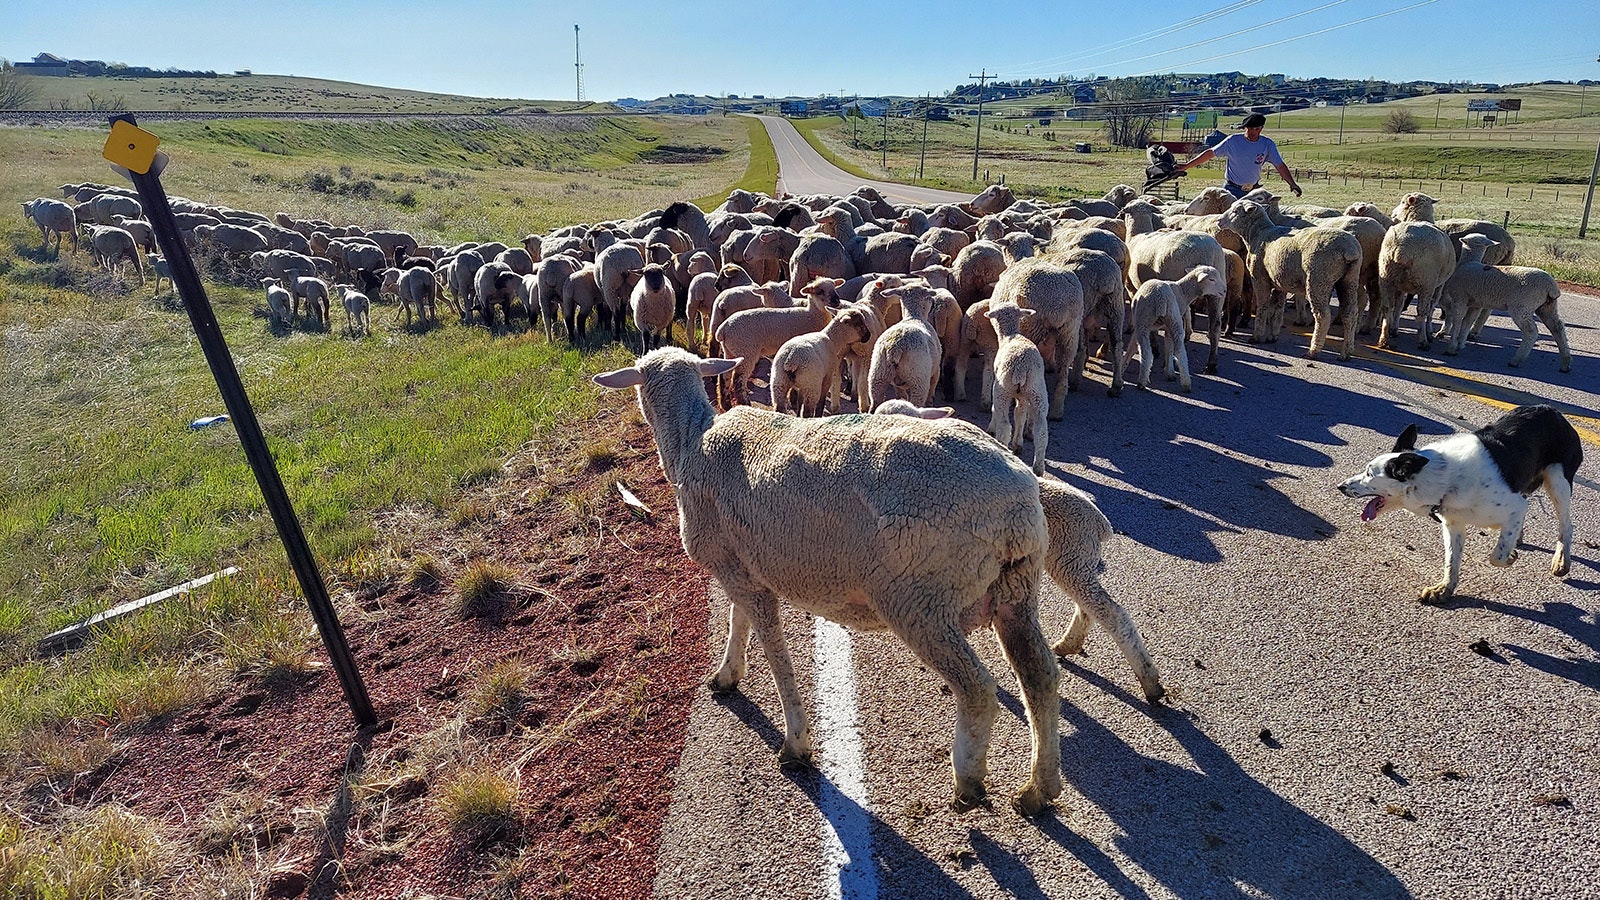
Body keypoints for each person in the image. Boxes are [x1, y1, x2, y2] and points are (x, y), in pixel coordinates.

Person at [1176, 113, 1302, 199]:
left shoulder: (1267, 144)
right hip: (1232, 190)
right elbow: (1210, 154)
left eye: (1257, 129)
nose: (1254, 132)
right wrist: (1186, 166)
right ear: (1245, 128)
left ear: (1262, 128)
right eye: (1250, 129)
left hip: (1253, 190)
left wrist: (1292, 184)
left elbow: (1280, 165)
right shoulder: (1232, 141)